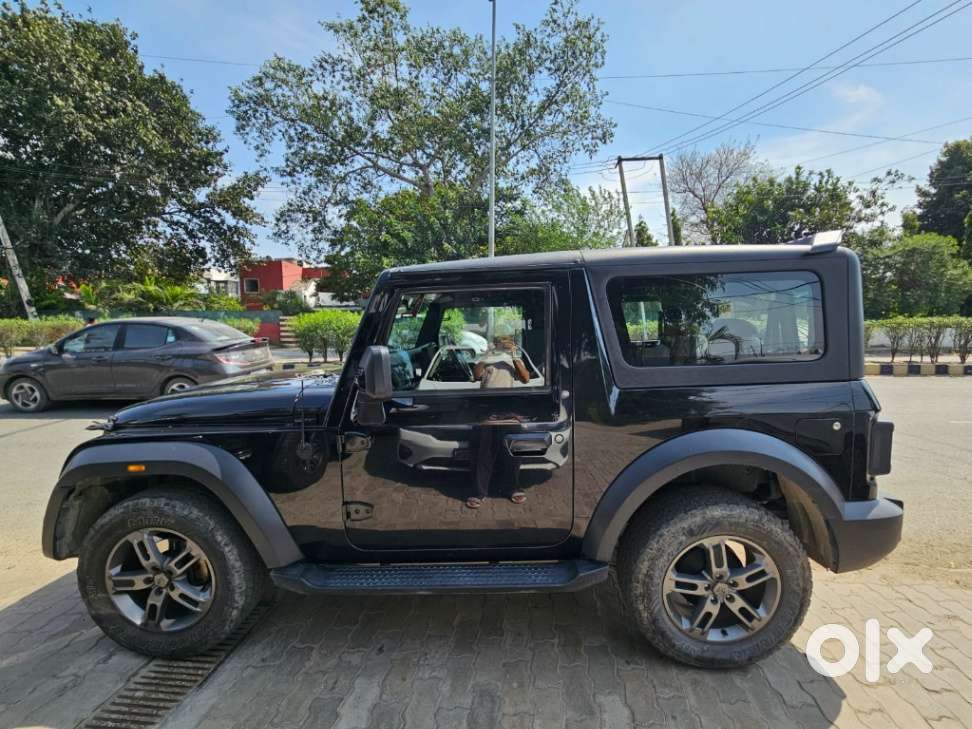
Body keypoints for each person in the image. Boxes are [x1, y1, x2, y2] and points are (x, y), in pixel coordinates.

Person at [466, 324, 530, 509]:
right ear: (493, 341)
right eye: (499, 339)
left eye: (506, 339)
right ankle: (479, 492)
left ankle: (512, 488)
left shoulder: (514, 357)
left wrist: (513, 354)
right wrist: (488, 355)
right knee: (483, 452)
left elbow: (525, 378)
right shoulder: (486, 357)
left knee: (512, 450)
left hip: (509, 410)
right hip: (486, 409)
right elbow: (476, 374)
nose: (503, 342)